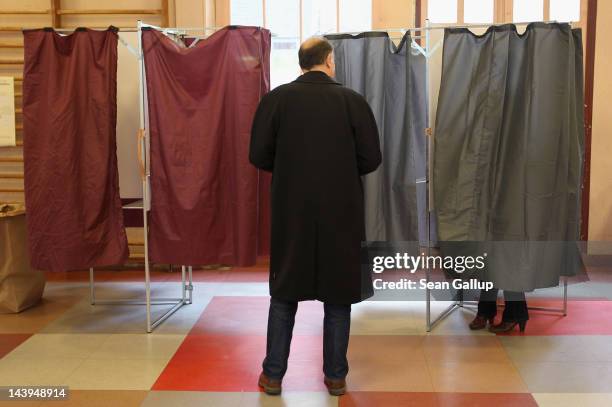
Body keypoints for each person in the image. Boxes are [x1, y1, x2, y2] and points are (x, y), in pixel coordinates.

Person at [249, 36, 382, 396]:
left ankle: (273, 375)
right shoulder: (352, 101)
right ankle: (336, 377)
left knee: (285, 293)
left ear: (301, 62)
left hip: (292, 211)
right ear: (328, 61)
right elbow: (371, 159)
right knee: (338, 296)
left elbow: (259, 156)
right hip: (342, 211)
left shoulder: (276, 100)